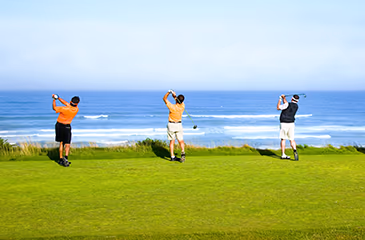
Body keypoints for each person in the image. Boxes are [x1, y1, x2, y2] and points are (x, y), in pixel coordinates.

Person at [52, 94, 80, 167]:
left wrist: (54, 99)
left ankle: (61, 159)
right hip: (67, 126)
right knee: (67, 143)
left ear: (70, 101)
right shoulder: (76, 109)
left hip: (59, 125)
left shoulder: (64, 109)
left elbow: (54, 108)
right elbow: (66, 103)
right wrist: (59, 98)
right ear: (77, 103)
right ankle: (66, 157)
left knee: (61, 143)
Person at [163, 90, 186, 163]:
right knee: (181, 140)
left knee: (172, 141)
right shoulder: (182, 106)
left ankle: (172, 156)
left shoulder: (172, 107)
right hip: (179, 124)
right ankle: (182, 151)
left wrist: (169, 92)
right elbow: (179, 101)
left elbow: (164, 99)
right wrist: (175, 97)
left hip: (171, 125)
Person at [277, 94, 299, 160]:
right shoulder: (296, 106)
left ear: (292, 99)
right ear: (297, 101)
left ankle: (283, 154)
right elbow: (286, 104)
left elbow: (278, 107)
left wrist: (280, 99)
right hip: (291, 123)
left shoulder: (287, 104)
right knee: (291, 139)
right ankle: (295, 150)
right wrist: (284, 98)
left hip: (284, 123)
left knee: (283, 139)